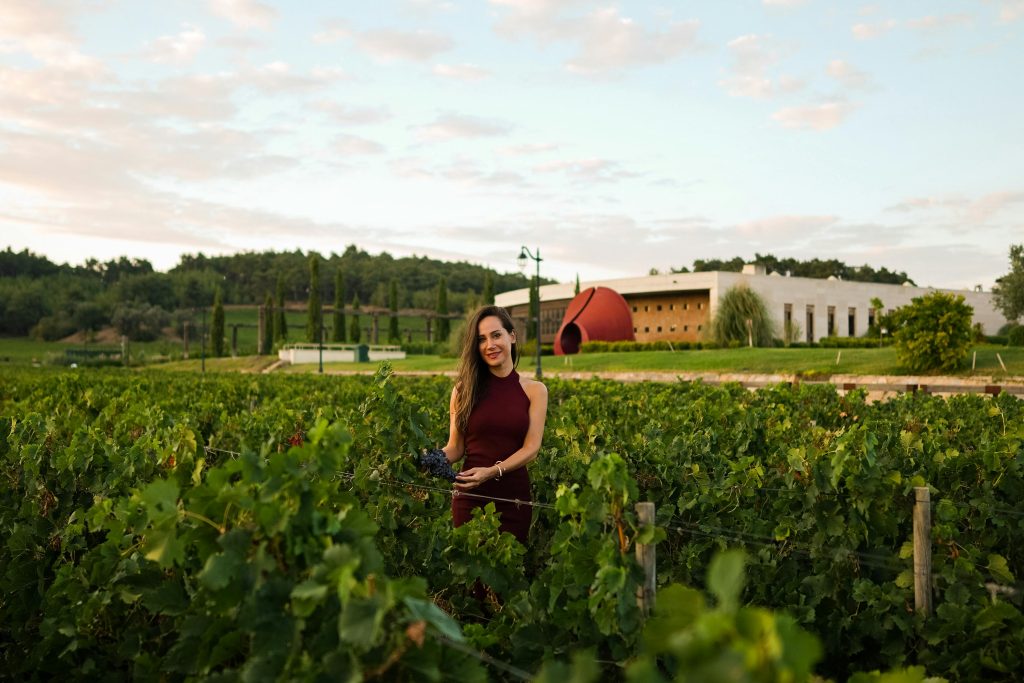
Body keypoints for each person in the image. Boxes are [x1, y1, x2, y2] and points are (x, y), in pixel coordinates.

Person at [441, 305, 548, 544]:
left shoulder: (535, 391)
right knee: (475, 577)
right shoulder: (462, 390)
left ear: (512, 336)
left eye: (496, 335)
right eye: (481, 339)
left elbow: (531, 448)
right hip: (470, 498)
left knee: (507, 575)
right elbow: (455, 448)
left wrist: (492, 472)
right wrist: (429, 457)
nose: (490, 345)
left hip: (514, 501)